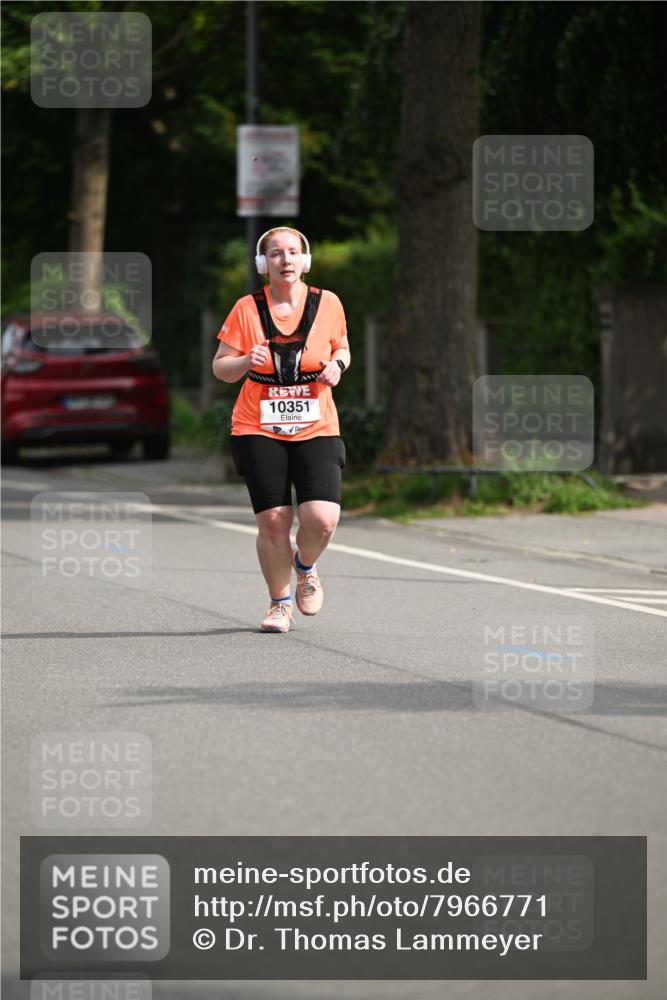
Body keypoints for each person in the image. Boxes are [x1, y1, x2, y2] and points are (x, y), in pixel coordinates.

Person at [212, 226, 351, 633]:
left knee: (321, 517)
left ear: (304, 261)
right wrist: (245, 362)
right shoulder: (246, 309)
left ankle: (305, 566)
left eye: (292, 252)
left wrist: (337, 366)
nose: (285, 260)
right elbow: (220, 367)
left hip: (317, 423)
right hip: (257, 424)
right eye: (275, 253)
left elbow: (342, 347)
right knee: (274, 519)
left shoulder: (328, 303)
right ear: (263, 263)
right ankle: (279, 604)